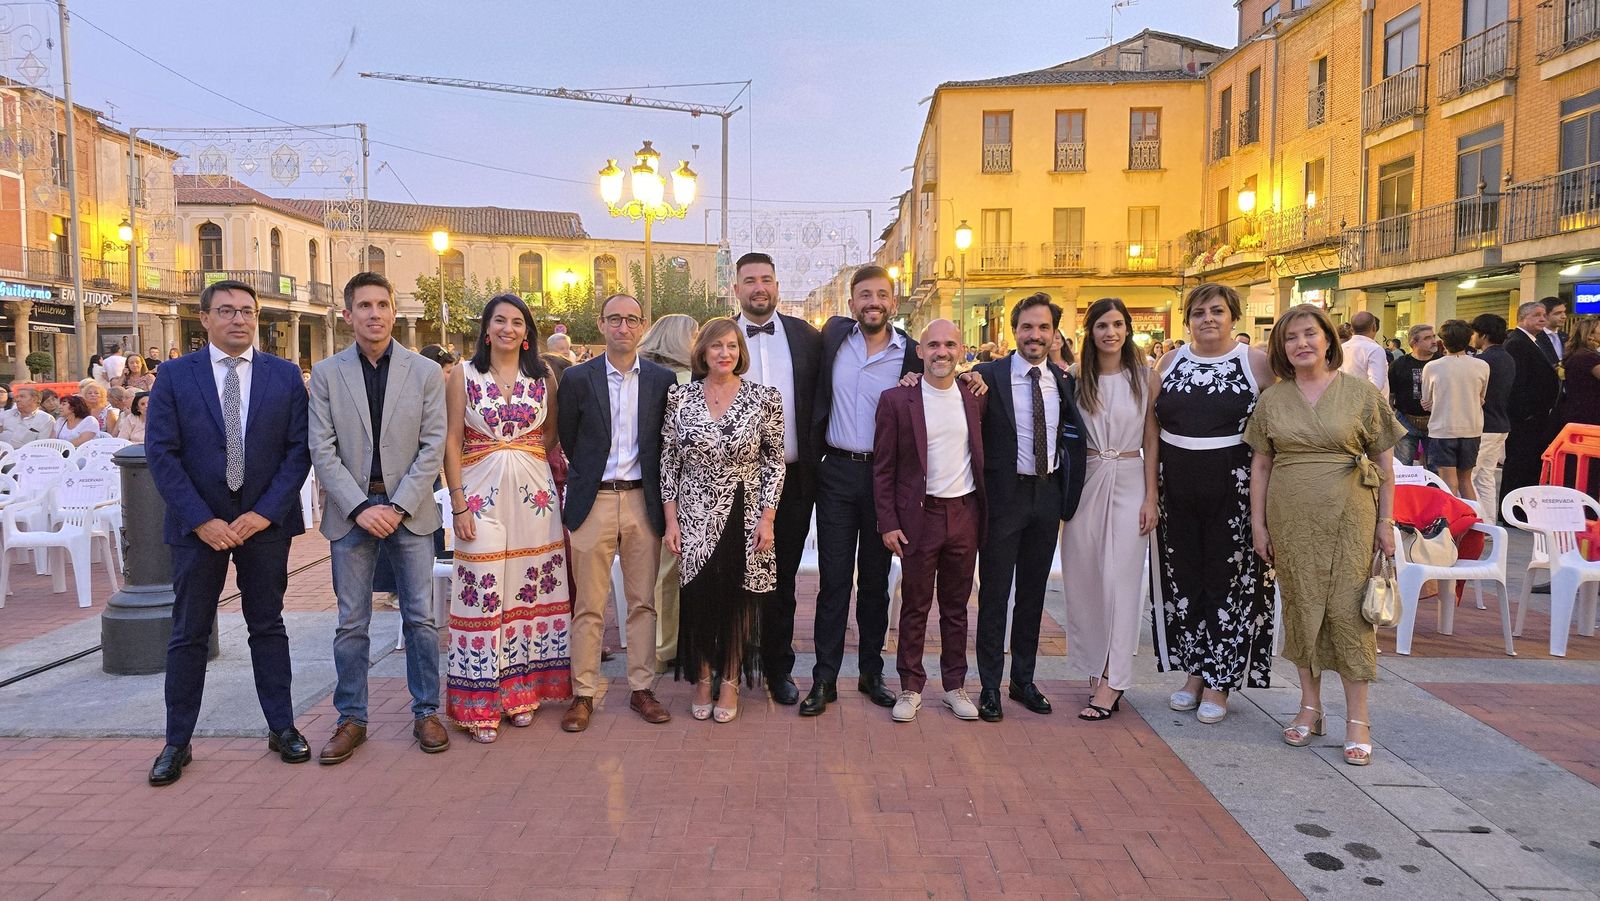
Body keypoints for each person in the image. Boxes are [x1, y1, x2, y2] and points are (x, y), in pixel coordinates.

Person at [144, 279, 311, 786]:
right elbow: (161, 453)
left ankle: (282, 727)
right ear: (206, 318)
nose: (239, 319)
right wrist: (201, 519)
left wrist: (263, 514)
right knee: (188, 632)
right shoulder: (175, 376)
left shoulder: (284, 377)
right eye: (226, 311)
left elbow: (298, 451)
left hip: (264, 524)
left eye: (247, 311)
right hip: (199, 528)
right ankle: (176, 741)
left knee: (268, 625)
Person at [1246, 304, 1400, 766]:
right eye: (1291, 338)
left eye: (1310, 334)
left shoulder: (1361, 394)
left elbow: (1387, 466)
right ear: (1281, 348)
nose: (1301, 344)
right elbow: (1261, 464)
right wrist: (1258, 523)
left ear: (1329, 339)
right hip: (1290, 520)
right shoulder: (1273, 399)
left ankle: (1358, 719)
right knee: (1301, 606)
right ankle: (1309, 707)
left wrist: (1385, 523)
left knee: (1351, 613)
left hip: (1350, 515)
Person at [308, 272, 450, 762]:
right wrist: (361, 507)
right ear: (347, 314)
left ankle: (427, 711)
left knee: (421, 619)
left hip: (409, 512)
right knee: (351, 623)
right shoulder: (327, 374)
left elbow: (433, 445)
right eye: (364, 305)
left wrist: (397, 505)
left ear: (394, 310)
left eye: (382, 304)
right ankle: (351, 718)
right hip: (352, 516)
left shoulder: (425, 371)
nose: (375, 313)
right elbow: (321, 449)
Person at [440, 295, 572, 743]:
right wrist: (458, 502)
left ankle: (521, 694)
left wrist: (522, 458)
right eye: (500, 320)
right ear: (486, 327)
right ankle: (479, 703)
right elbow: (452, 438)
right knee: (481, 592)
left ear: (527, 332)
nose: (508, 329)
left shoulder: (544, 377)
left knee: (529, 590)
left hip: (535, 498)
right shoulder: (464, 374)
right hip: (479, 497)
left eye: (517, 322)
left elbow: (550, 434)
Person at [1150, 283, 1276, 724]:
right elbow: (1151, 427)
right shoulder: (1170, 362)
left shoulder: (1256, 362)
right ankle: (1194, 674)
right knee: (1186, 584)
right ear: (1188, 320)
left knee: (1229, 583)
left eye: (1217, 311)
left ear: (1233, 317)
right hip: (1176, 489)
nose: (1208, 319)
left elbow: (1278, 426)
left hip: (1234, 489)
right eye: (1199, 312)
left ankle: (1221, 680)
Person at [803, 265, 924, 716]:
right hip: (835, 471)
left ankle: (871, 674)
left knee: (875, 583)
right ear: (851, 303)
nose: (873, 302)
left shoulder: (912, 355)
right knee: (833, 582)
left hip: (884, 480)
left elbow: (950, 377)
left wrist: (977, 377)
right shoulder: (834, 339)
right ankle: (825, 679)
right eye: (864, 295)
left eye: (881, 295)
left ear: (893, 302)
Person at [556, 293, 676, 733]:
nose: (623, 327)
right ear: (602, 324)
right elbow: (568, 438)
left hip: (644, 502)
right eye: (614, 319)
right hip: (594, 502)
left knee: (643, 603)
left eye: (631, 319)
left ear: (642, 325)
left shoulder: (663, 381)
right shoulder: (577, 379)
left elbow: (665, 443)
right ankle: (583, 693)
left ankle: (641, 688)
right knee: (589, 604)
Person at [660, 318, 784, 723]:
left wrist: (767, 518)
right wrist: (671, 520)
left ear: (740, 352)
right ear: (702, 352)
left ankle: (730, 679)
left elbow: (774, 463)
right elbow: (669, 462)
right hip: (694, 513)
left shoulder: (765, 398)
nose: (724, 353)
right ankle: (702, 676)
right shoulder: (680, 398)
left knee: (738, 599)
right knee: (699, 597)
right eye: (716, 346)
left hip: (745, 511)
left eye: (731, 345)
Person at [971, 293, 1087, 722]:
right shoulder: (986, 376)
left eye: (1042, 328)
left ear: (1054, 334)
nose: (1034, 335)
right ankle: (989, 687)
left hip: (1047, 495)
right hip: (1003, 499)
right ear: (1013, 331)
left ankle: (1023, 680)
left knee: (1033, 596)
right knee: (995, 596)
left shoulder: (1063, 381)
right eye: (1026, 327)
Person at [872, 319, 985, 722]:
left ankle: (955, 685)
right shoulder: (897, 400)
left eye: (950, 344)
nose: (942, 352)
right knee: (915, 605)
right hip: (920, 517)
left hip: (965, 513)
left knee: (957, 607)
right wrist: (887, 521)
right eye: (933, 345)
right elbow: (883, 469)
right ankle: (909, 687)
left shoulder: (975, 397)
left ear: (962, 350)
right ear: (919, 352)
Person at [729, 252, 823, 705]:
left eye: (766, 278)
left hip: (792, 479)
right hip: (731, 482)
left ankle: (778, 668)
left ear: (777, 286)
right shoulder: (720, 339)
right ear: (736, 289)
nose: (759, 287)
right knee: (734, 576)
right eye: (750, 281)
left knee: (782, 578)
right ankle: (733, 667)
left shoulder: (807, 337)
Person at [1060, 298, 1154, 721]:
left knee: (1121, 581)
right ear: (1090, 332)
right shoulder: (1079, 378)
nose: (1110, 332)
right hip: (1088, 479)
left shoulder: (1146, 378)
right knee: (1086, 578)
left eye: (1118, 324)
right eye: (1102, 325)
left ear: (1128, 329)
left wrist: (1151, 496)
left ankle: (1115, 680)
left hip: (1132, 477)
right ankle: (1095, 666)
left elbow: (1153, 441)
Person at [638, 313, 698, 675]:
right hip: (689, 485)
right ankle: (675, 644)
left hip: (652, 482)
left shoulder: (643, 376)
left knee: (662, 569)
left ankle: (662, 646)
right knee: (678, 567)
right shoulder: (687, 381)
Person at [1420, 320, 1489, 501]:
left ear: (1443, 341)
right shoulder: (1482, 365)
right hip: (1472, 428)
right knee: (1466, 481)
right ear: (1468, 339)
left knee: (1448, 482)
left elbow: (1426, 401)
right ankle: (1474, 522)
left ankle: (1449, 524)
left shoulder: (1432, 367)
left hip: (1443, 429)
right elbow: (1481, 397)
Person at [1502, 301, 1561, 510]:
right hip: (1524, 417)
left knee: (1530, 463)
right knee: (1520, 463)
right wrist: (1525, 413)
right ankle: (1514, 508)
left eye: (1544, 315)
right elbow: (1518, 382)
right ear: (1523, 318)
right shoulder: (1517, 342)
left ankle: (1524, 506)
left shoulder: (1536, 341)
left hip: (1537, 415)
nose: (1542, 319)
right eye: (1537, 315)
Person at [1470, 314, 1515, 511]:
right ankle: (1487, 524)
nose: (1472, 338)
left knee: (1469, 477)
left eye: (1474, 333)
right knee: (1485, 478)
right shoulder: (1507, 358)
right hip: (1500, 423)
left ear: (1483, 335)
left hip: (1484, 424)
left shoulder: (1482, 361)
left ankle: (1476, 523)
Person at [1387, 324, 1436, 466]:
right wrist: (1391, 419)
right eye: (1427, 338)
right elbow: (1391, 395)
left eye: (1433, 336)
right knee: (1403, 468)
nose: (1433, 341)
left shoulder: (1441, 362)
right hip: (1405, 421)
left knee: (1436, 470)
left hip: (1435, 422)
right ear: (1413, 342)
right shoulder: (1399, 364)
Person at [1558, 317, 1600, 426]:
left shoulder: (1580, 354)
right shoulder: (1587, 357)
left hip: (1581, 412)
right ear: (1589, 335)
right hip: (1589, 415)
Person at [1340, 311, 1387, 391]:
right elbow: (1376, 385)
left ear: (1351, 329)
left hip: (1344, 397)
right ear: (1374, 327)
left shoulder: (1342, 348)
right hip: (1366, 401)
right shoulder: (1375, 349)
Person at [1544, 296, 1569, 361]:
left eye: (1564, 312)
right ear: (1545, 315)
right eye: (1558, 313)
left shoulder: (1566, 337)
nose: (1564, 316)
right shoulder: (1535, 337)